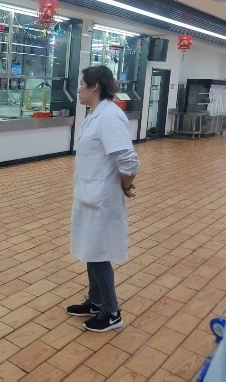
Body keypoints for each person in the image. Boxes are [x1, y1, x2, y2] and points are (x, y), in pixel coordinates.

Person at [66, 65, 140, 333]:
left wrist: (125, 186)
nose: (78, 90)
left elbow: (128, 161)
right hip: (91, 194)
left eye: (81, 84)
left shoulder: (110, 116)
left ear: (95, 86)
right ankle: (96, 300)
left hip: (102, 197)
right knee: (91, 249)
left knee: (98, 254)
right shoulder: (96, 114)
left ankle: (111, 312)